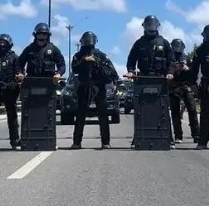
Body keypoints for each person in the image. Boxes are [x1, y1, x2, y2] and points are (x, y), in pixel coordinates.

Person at [125, 15, 176, 148]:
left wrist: (170, 73)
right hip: (144, 79)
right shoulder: (139, 43)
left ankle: (168, 138)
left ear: (157, 26)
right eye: (149, 25)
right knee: (141, 110)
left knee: (164, 109)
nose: (151, 27)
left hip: (160, 79)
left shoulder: (164, 42)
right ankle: (138, 138)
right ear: (145, 26)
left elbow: (172, 61)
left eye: (153, 25)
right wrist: (130, 71)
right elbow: (131, 60)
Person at [70, 31, 119, 150]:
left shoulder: (100, 55)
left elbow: (111, 71)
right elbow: (74, 69)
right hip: (84, 86)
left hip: (99, 86)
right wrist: (84, 61)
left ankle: (105, 142)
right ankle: (77, 142)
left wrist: (95, 61)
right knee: (81, 115)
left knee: (102, 115)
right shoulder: (78, 55)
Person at [169, 38, 200, 144]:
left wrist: (187, 69)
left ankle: (196, 135)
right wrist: (175, 69)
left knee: (192, 110)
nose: (177, 49)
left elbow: (193, 74)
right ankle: (178, 135)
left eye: (179, 46)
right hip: (173, 87)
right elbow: (166, 71)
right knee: (175, 113)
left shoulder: (187, 58)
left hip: (185, 86)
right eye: (175, 47)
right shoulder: (169, 58)